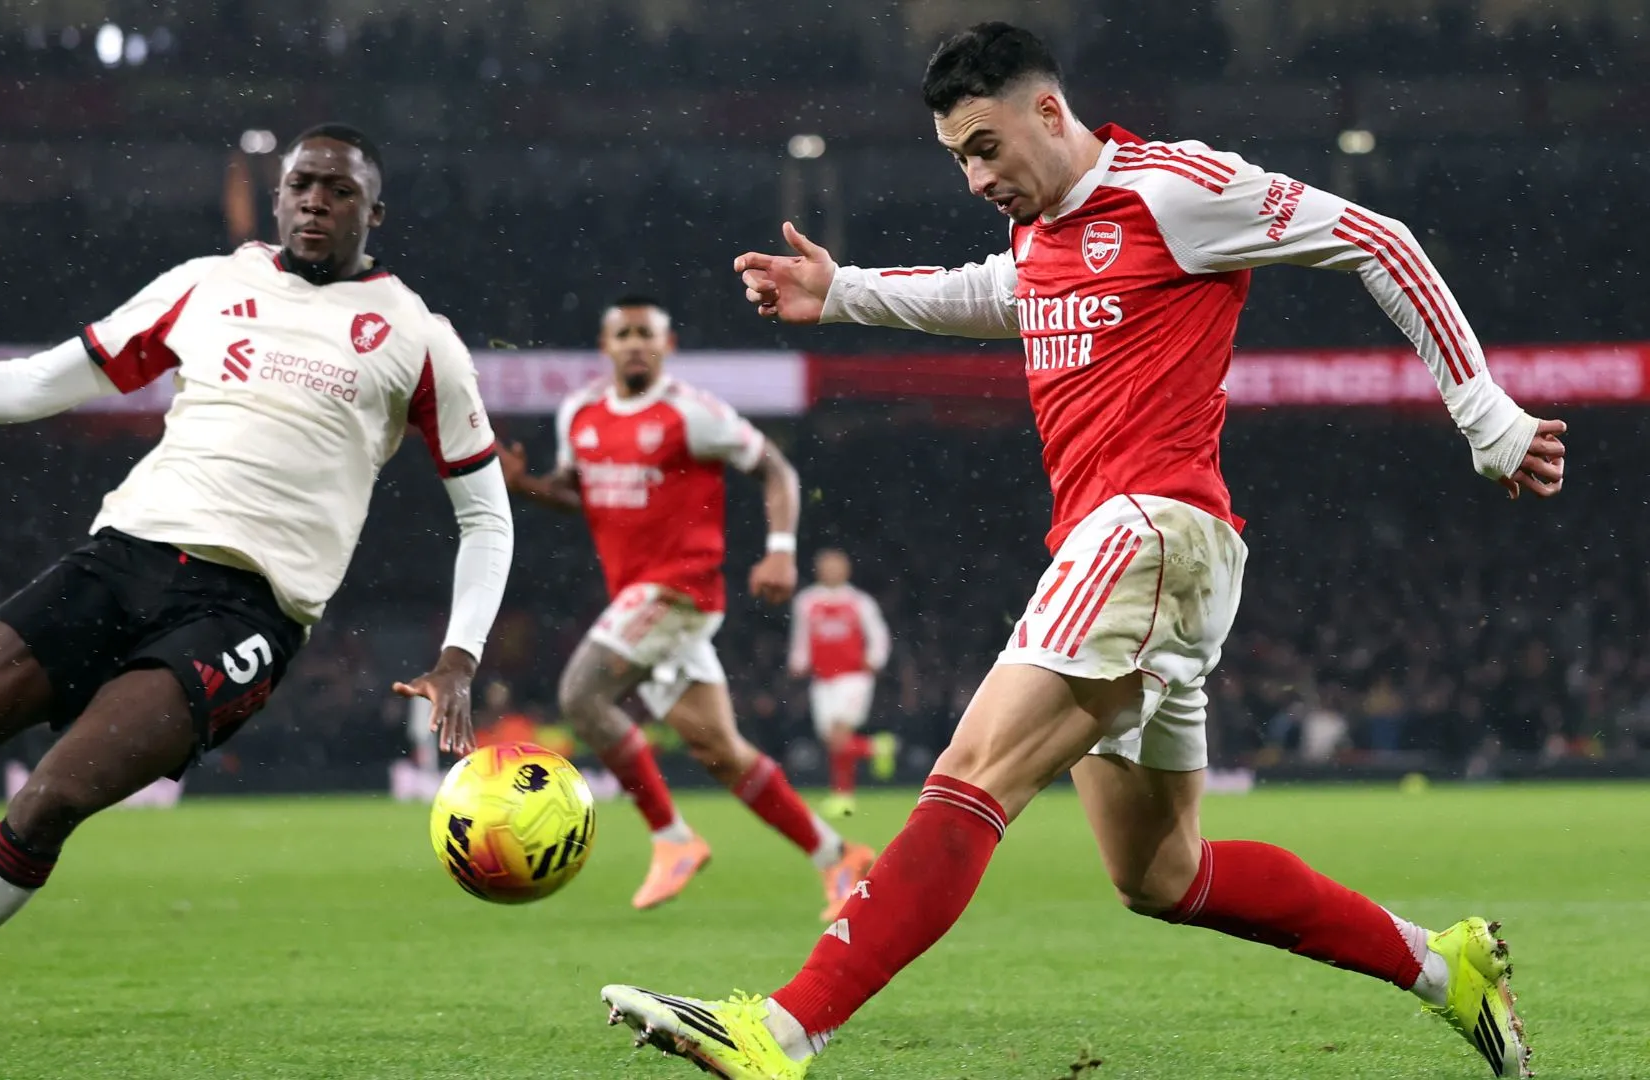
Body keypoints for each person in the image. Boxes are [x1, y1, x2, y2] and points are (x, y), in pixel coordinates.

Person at [600, 26, 1564, 1080]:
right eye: (957, 158)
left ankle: (780, 1032)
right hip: (1150, 563)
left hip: (1150, 529)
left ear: (1049, 113)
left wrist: (1485, 414)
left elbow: (1380, 238)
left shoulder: (1176, 190)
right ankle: (1445, 967)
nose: (975, 177)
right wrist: (844, 293)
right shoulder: (1039, 235)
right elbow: (992, 294)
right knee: (1164, 874)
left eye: (984, 147)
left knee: (971, 772)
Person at [0, 124, 514, 1053]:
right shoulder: (205, 284)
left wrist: (460, 656)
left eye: (340, 191)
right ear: (275, 199)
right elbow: (39, 384)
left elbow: (486, 516)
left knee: (47, 804)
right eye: (301, 185)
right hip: (121, 560)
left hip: (245, 611)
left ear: (374, 214)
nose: (316, 201)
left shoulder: (420, 339)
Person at [499, 296, 873, 918]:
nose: (636, 343)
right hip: (638, 598)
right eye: (625, 334)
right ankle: (837, 856)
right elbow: (582, 493)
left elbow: (776, 470)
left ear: (667, 346)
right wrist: (526, 487)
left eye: (648, 333)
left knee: (580, 697)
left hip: (679, 591)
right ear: (606, 345)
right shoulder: (580, 414)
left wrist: (780, 551)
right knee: (721, 752)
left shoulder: (690, 414)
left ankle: (672, 838)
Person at [788, 549, 896, 818]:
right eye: (827, 566)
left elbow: (879, 634)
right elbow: (801, 635)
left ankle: (843, 792)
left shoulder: (859, 602)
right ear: (818, 570)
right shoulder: (806, 601)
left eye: (837, 566)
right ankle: (870, 755)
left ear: (846, 570)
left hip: (852, 677)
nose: (832, 571)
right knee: (833, 740)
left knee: (839, 736)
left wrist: (875, 659)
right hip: (822, 678)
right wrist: (798, 660)